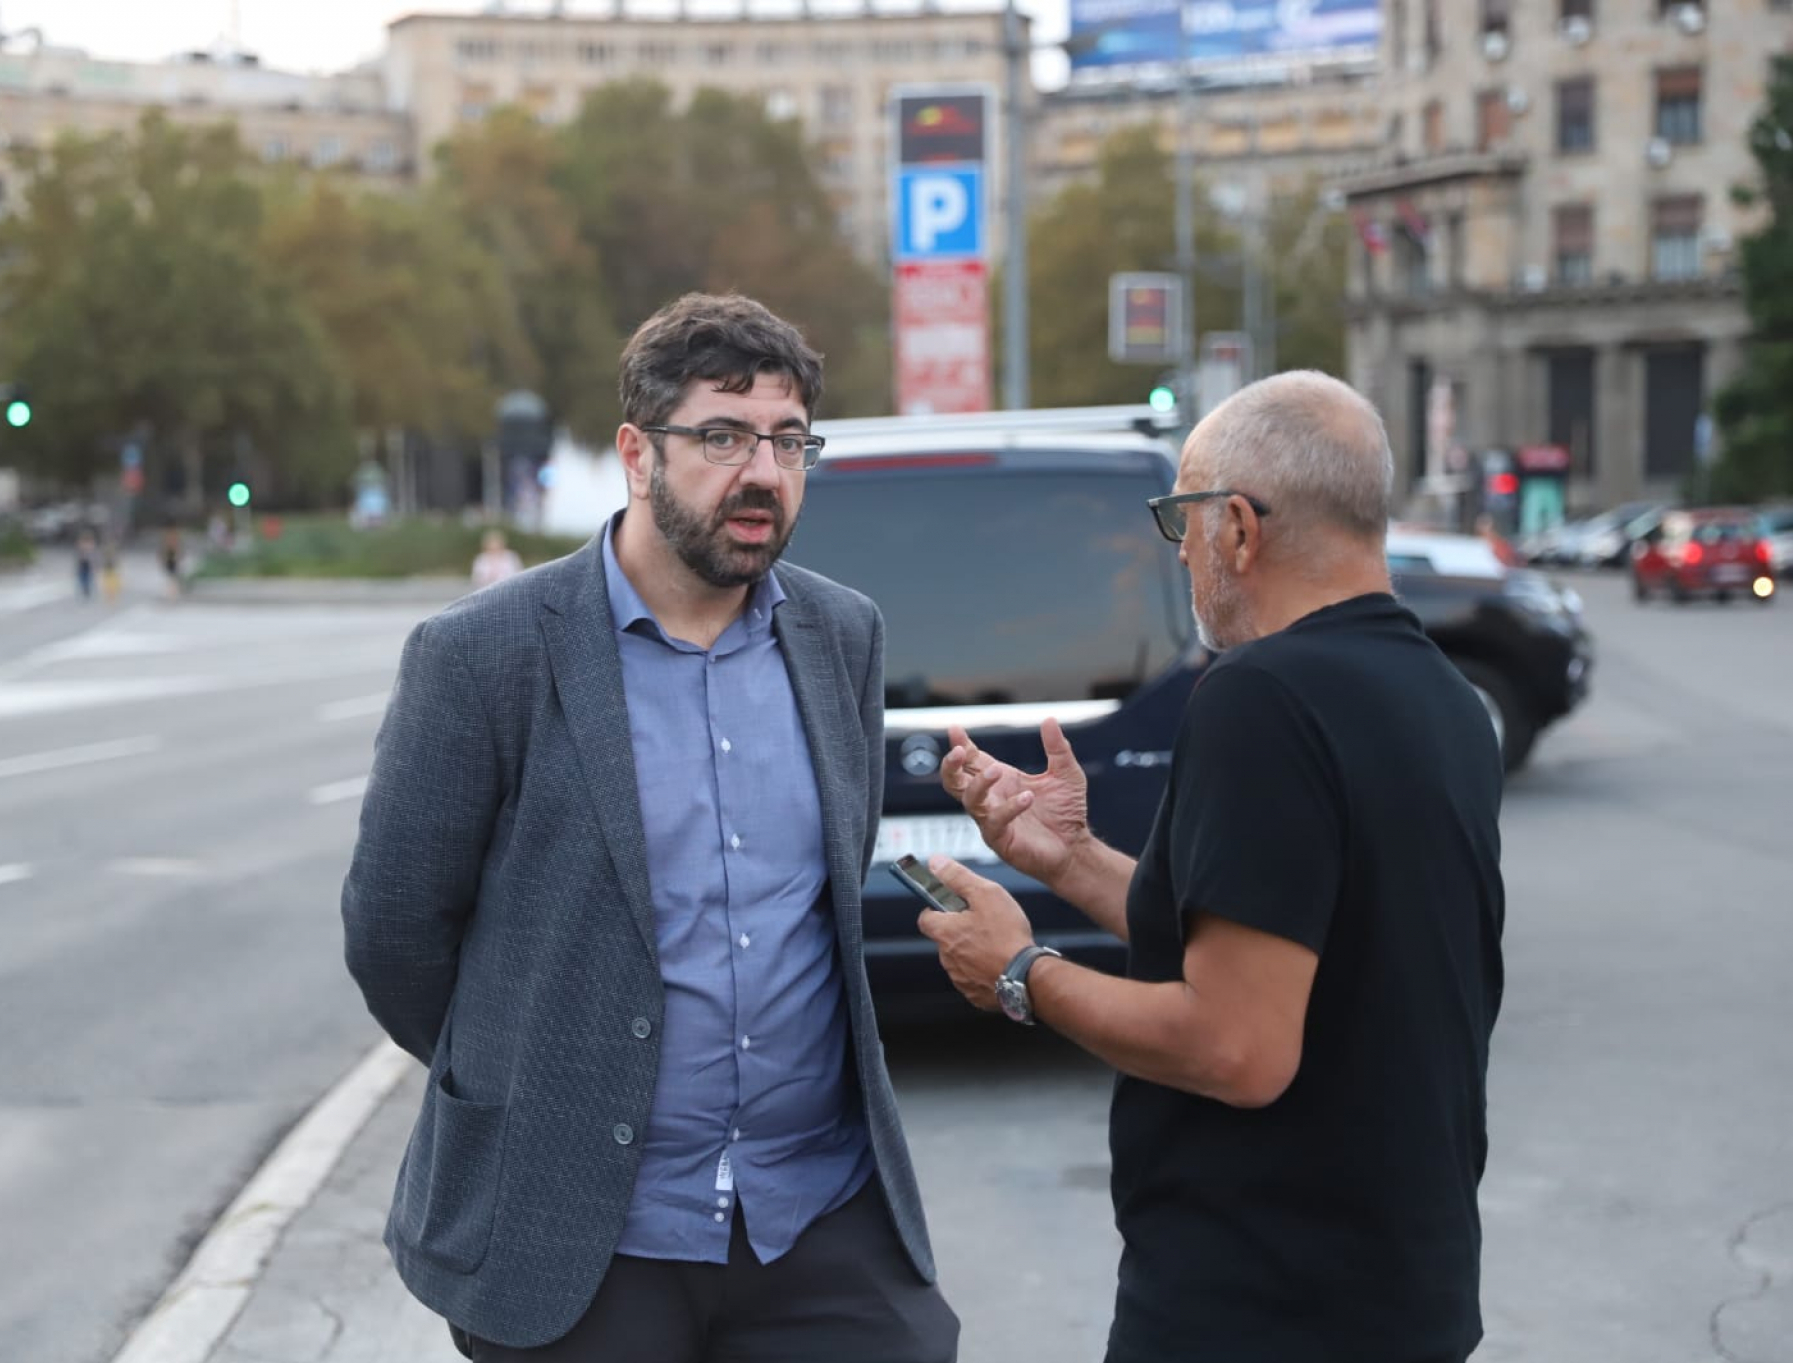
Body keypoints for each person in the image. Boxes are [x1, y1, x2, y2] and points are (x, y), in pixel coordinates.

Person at [342, 293, 956, 1363]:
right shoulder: (483, 656)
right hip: (583, 1237)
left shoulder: (839, 634)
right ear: (637, 453)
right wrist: (537, 1070)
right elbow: (395, 934)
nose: (761, 472)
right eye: (721, 436)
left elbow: (828, 889)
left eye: (787, 440)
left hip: (812, 1217)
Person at [919, 371, 1506, 1363]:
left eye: (1179, 520)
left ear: (1236, 526)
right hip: (1400, 1285)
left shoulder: (1261, 695)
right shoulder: (1437, 694)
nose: (1180, 551)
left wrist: (1020, 974)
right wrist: (1069, 860)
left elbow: (1238, 1045)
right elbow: (1281, 944)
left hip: (1258, 1301)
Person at [159, 526, 183, 600]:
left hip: (172, 560)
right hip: (171, 560)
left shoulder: (170, 538)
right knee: (172, 578)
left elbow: (177, 550)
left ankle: (172, 593)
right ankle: (172, 593)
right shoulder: (172, 538)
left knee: (172, 578)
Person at [75, 530, 99, 600]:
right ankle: (85, 588)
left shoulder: (90, 545)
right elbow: (79, 555)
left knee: (86, 577)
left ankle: (86, 589)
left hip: (87, 564)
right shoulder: (82, 545)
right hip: (82, 563)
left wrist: (95, 564)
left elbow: (93, 556)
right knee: (83, 577)